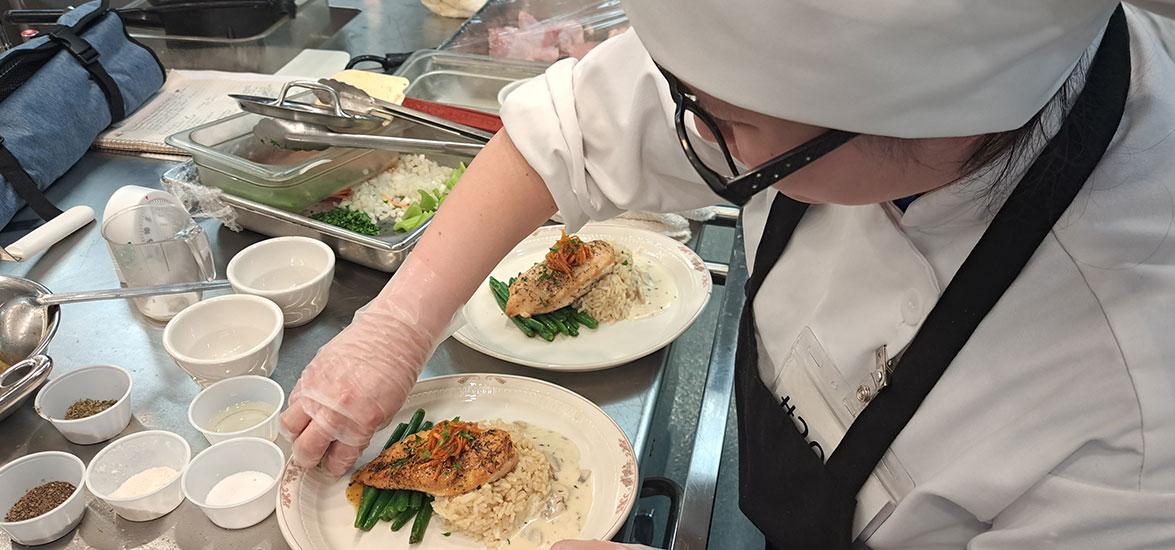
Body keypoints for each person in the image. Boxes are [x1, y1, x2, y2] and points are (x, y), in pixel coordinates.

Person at [281, 1, 1175, 547]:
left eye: (724, 123)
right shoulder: (811, 76)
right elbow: (563, 135)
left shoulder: (1135, 401)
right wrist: (391, 331)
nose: (685, 131)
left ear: (917, 126)